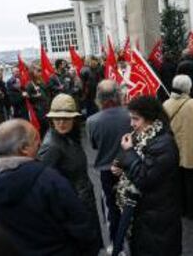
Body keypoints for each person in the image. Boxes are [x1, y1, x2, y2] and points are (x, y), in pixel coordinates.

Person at [0, 119, 96, 255]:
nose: (40, 144)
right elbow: (81, 227)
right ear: (24, 149)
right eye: (35, 139)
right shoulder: (50, 180)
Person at [114, 96, 182, 255]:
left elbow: (144, 178)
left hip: (157, 219)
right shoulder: (146, 136)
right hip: (148, 214)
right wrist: (121, 166)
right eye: (131, 119)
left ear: (151, 119)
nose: (132, 124)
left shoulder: (163, 144)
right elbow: (142, 165)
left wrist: (129, 153)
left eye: (136, 119)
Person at [38, 94, 102, 255]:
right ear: (51, 120)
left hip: (81, 203)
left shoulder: (68, 137)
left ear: (74, 119)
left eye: (66, 118)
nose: (61, 122)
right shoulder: (52, 146)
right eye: (57, 118)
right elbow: (43, 184)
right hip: (71, 212)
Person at [86, 80, 132, 244]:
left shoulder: (92, 121)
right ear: (118, 95)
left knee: (111, 208)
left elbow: (94, 145)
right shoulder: (130, 115)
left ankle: (116, 244)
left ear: (98, 97)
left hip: (106, 169)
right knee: (132, 203)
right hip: (130, 167)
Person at [163, 75, 193, 220]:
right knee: (190, 180)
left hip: (172, 148)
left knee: (177, 179)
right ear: (188, 88)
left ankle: (181, 208)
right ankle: (192, 210)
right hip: (191, 147)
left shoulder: (165, 104)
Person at [26, 65, 50, 138]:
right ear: (32, 73)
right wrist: (34, 96)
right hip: (39, 110)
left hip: (46, 107)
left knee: (48, 127)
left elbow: (46, 92)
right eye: (38, 71)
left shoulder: (41, 81)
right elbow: (28, 98)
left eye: (40, 71)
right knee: (42, 129)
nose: (40, 73)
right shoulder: (29, 85)